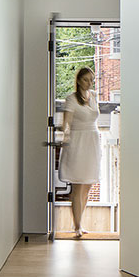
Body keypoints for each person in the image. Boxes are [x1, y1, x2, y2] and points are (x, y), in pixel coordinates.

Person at [59, 66, 101, 237]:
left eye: (91, 80)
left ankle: (80, 222)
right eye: (86, 80)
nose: (89, 83)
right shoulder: (71, 99)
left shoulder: (94, 96)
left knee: (88, 185)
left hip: (92, 141)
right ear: (78, 80)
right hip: (78, 142)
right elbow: (66, 123)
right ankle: (77, 226)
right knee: (78, 185)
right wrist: (66, 137)